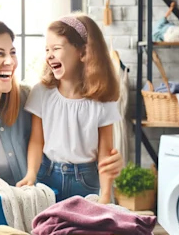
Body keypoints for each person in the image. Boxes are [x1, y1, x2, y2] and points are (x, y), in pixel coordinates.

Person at [0, 17, 124, 193]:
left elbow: (63, 142)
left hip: (25, 217)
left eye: (12, 53)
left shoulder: (27, 100)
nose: (10, 62)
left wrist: (109, 162)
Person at [17, 12, 121, 208]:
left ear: (82, 53)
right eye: (47, 49)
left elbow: (105, 153)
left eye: (56, 48)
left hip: (87, 180)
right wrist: (31, 173)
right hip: (47, 177)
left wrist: (105, 196)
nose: (49, 55)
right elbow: (37, 140)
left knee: (84, 233)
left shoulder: (102, 101)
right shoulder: (41, 93)